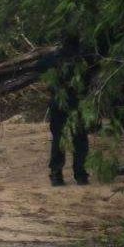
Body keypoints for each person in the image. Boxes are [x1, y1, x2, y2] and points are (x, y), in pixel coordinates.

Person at [46, 35, 93, 186]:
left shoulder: (54, 58)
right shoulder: (85, 58)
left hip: (59, 104)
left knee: (59, 139)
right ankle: (81, 175)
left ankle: (56, 175)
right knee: (80, 140)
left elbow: (39, 67)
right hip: (78, 104)